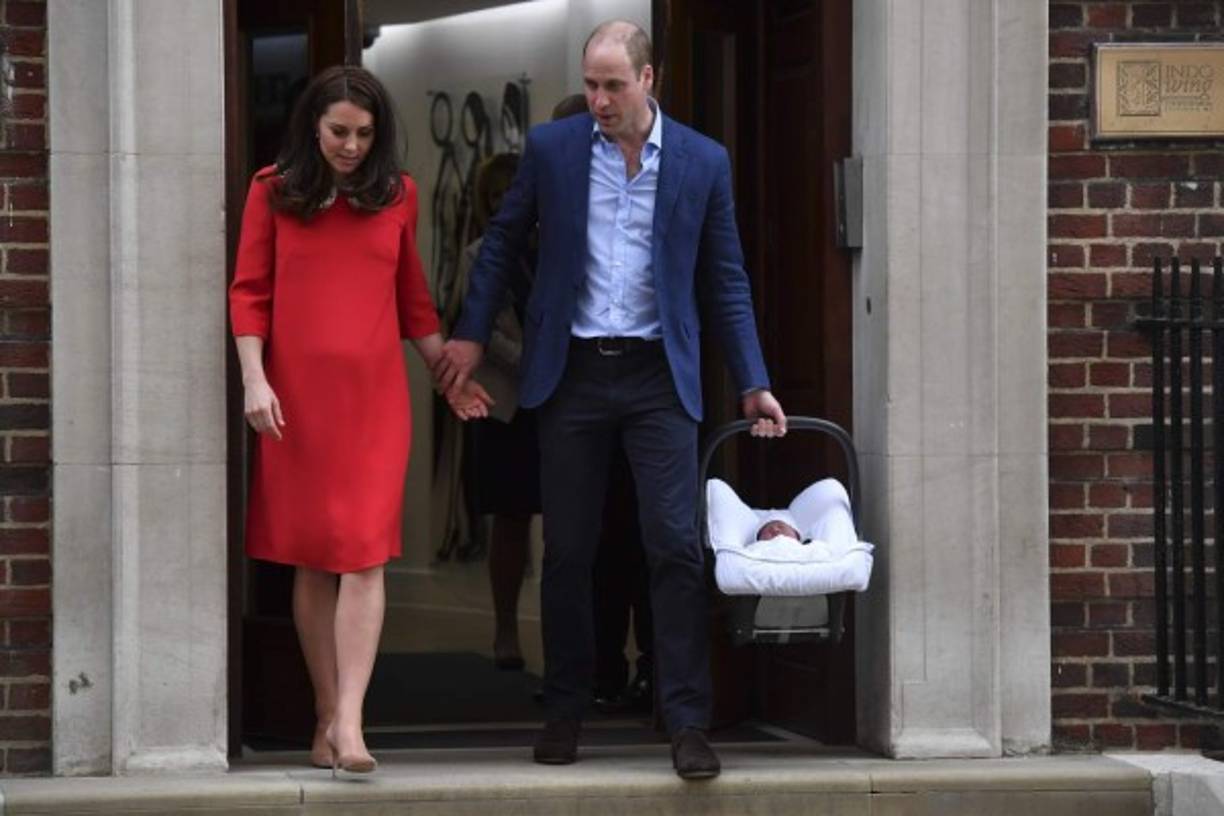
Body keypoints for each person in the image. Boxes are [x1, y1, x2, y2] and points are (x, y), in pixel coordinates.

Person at [434, 21, 786, 780]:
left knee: (672, 545)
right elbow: (499, 244)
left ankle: (686, 717)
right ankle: (565, 708)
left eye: (613, 86)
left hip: (662, 377)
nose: (597, 100)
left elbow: (725, 278)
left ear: (649, 79)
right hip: (574, 374)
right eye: (590, 85)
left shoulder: (701, 161)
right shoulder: (554, 151)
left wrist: (753, 378)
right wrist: (467, 337)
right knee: (568, 549)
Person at [229, 65, 490, 776]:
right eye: (339, 131)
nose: (350, 146)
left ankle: (351, 723)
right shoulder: (271, 192)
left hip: (375, 403)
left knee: (366, 553)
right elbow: (249, 293)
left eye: (364, 134)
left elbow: (413, 302)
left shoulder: (398, 195)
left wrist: (449, 378)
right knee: (316, 559)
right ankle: (325, 713)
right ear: (313, 126)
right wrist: (254, 379)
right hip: (295, 403)